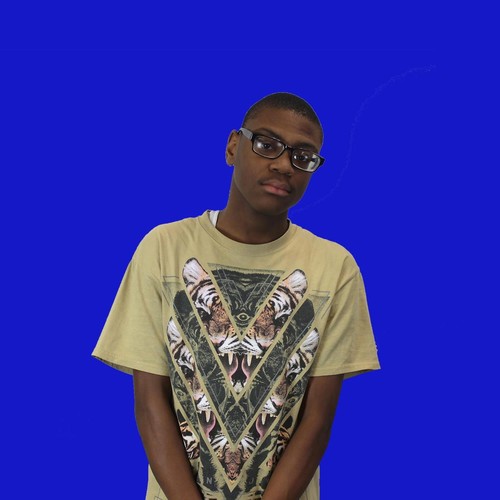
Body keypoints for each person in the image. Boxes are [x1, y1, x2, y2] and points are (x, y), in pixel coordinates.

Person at [92, 92, 380, 500]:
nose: (284, 164)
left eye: (303, 156)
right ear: (233, 146)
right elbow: (150, 401)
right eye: (267, 144)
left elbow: (316, 421)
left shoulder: (335, 268)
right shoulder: (163, 248)